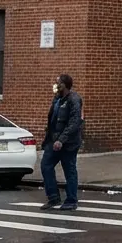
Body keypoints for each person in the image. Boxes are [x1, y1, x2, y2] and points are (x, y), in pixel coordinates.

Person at [40, 74, 83, 212]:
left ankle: (71, 200)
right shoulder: (57, 99)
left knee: (69, 170)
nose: (55, 84)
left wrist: (61, 139)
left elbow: (74, 122)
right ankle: (53, 197)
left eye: (58, 82)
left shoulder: (74, 99)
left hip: (68, 143)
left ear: (64, 84)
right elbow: (52, 120)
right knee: (46, 166)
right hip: (53, 141)